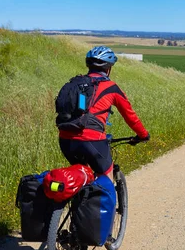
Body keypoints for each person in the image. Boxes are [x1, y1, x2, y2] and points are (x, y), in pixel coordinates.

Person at [58, 46, 149, 180]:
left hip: (65, 139)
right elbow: (130, 116)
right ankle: (106, 199)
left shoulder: (78, 84)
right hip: (92, 140)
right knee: (106, 178)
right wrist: (143, 135)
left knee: (81, 177)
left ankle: (78, 198)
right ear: (109, 68)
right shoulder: (111, 88)